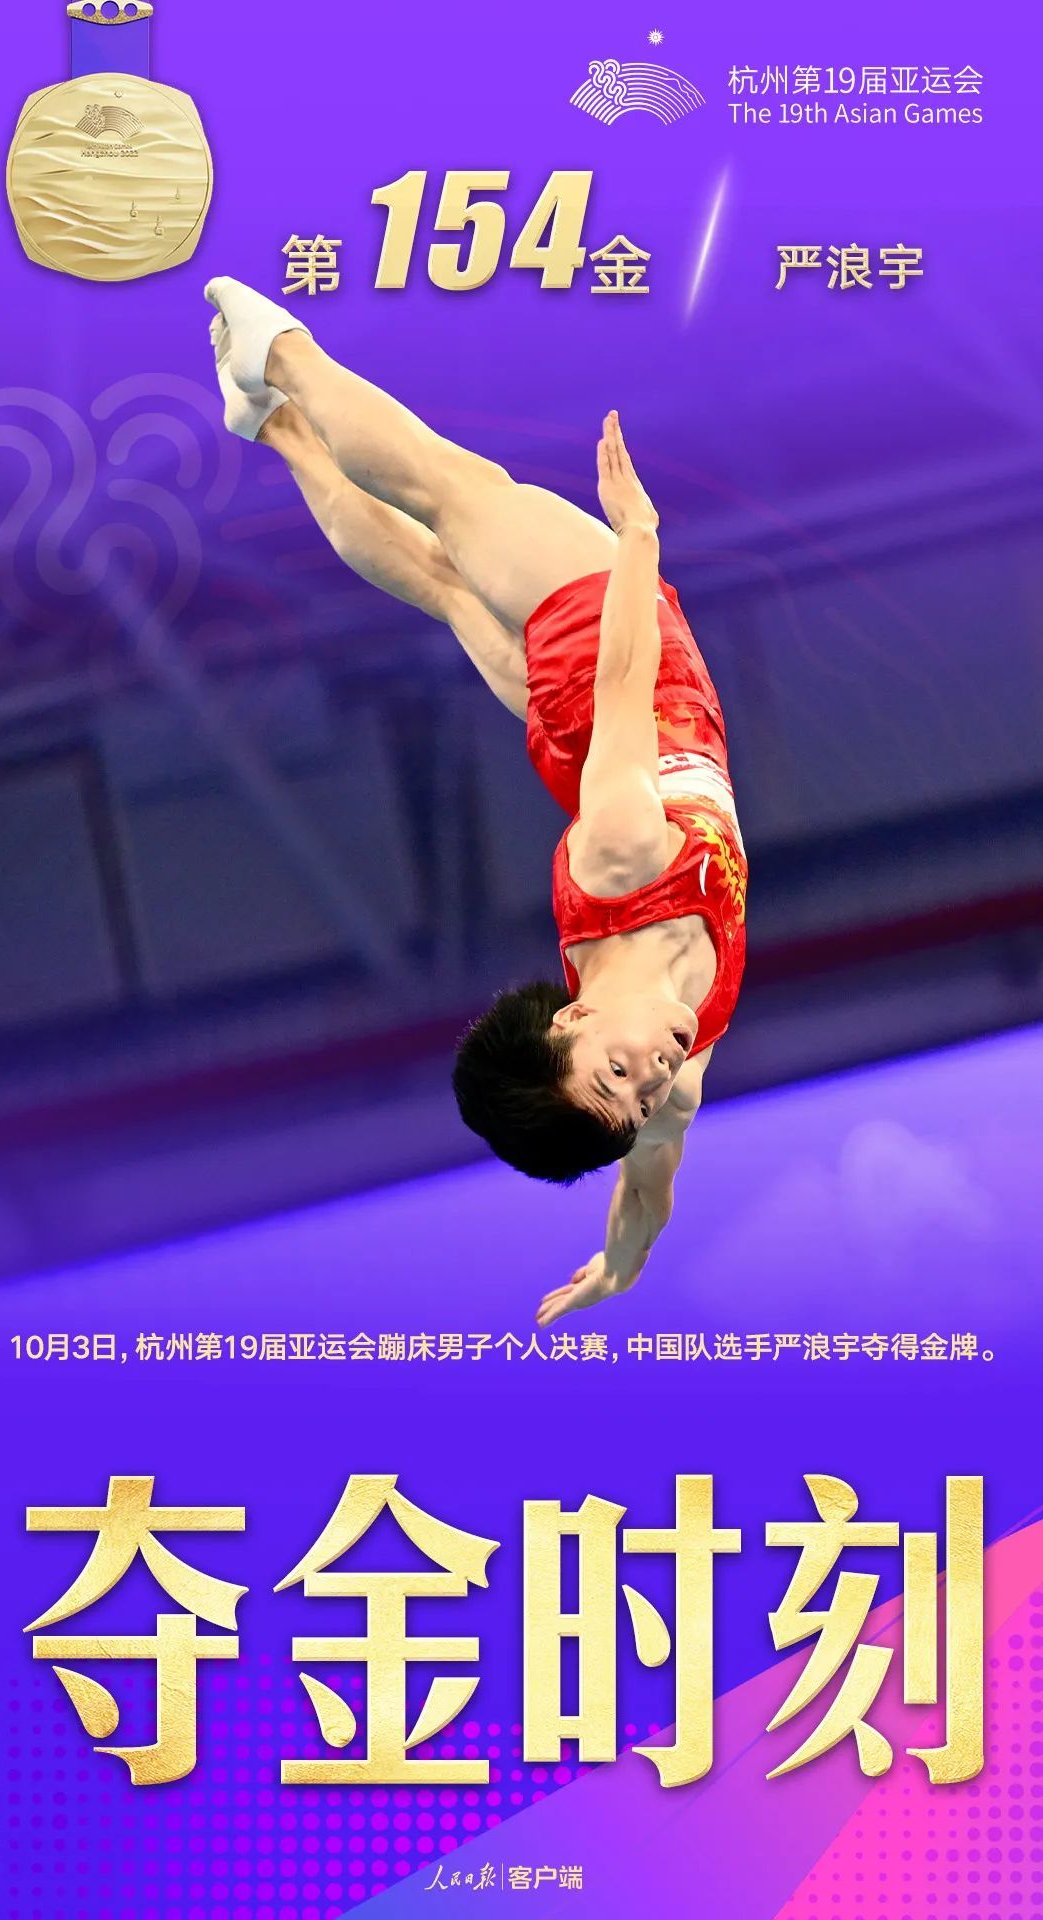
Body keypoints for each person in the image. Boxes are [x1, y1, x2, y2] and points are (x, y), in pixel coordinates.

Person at [205, 277, 747, 1325]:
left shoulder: (624, 857)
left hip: (595, 646)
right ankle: (275, 427)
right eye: (637, 1099)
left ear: (574, 1017)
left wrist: (636, 541)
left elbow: (624, 677)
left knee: (451, 494)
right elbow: (647, 1194)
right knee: (442, 583)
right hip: (575, 748)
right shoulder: (671, 1085)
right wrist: (619, 1269)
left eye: (619, 1071)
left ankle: (280, 354)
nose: (653, 1076)